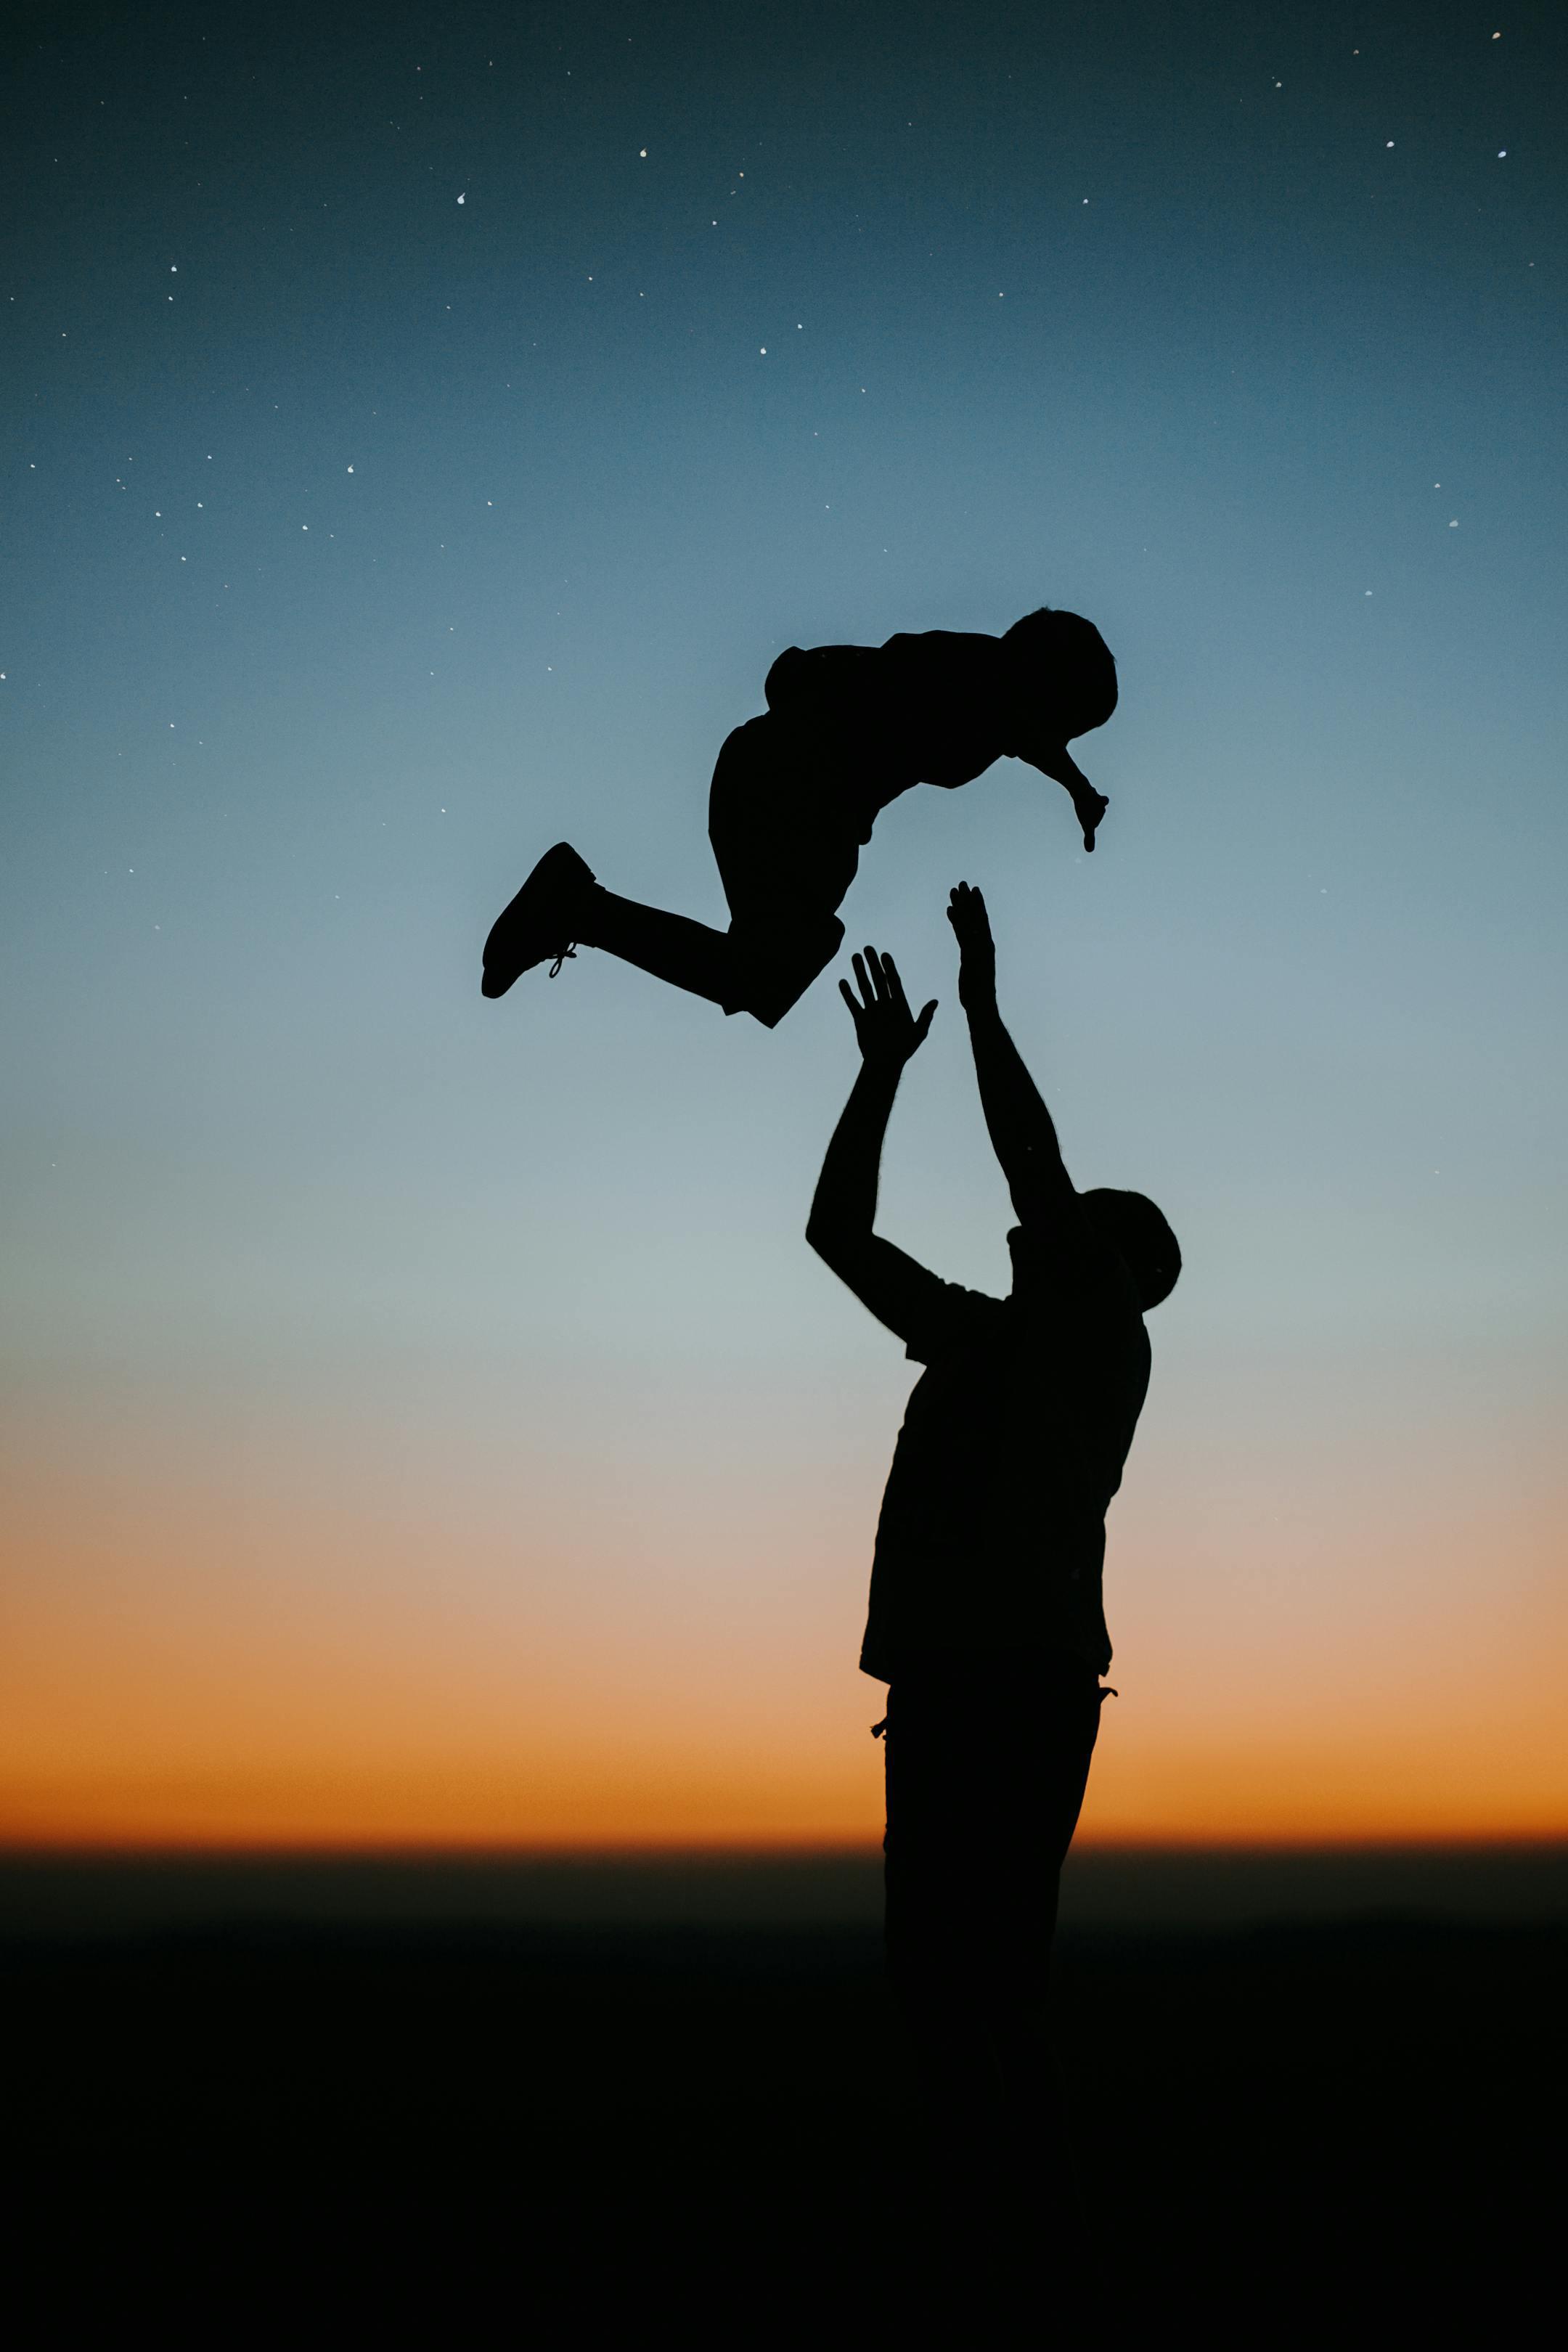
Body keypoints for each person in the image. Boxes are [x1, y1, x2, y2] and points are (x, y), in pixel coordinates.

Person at [804, 886, 1180, 2309]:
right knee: (937, 1984)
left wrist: (980, 1002)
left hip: (1016, 1689)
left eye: (1085, 1230)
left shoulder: (1102, 1344)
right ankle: (993, 2241)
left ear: (1121, 1277)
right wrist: (877, 1075)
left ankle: (1039, 2261)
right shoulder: (976, 1337)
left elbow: (1032, 1167)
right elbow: (839, 1235)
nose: (1052, 1228)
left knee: (990, 1989)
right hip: (950, 1685)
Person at [480, 609, 1117, 1026]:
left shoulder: (991, 689)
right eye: (1068, 722)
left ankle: (578, 907)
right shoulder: (966, 678)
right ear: (1043, 682)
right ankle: (576, 905)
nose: (1061, 738)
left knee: (761, 977)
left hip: (788, 793)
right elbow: (828, 672)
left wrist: (1079, 789)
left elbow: (1031, 740)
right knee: (761, 976)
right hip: (787, 793)